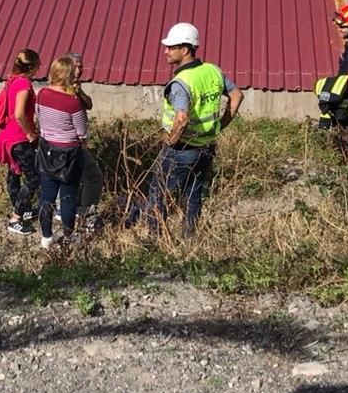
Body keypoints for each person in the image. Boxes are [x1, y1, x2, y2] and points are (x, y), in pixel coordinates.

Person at [127, 22, 243, 235]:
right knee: (193, 193)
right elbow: (237, 96)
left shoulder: (181, 82)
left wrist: (169, 143)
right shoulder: (213, 71)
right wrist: (219, 126)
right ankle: (189, 236)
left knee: (157, 193)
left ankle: (155, 241)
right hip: (206, 147)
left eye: (171, 47)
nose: (165, 52)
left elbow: (182, 118)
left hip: (181, 150)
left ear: (185, 49)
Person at [35, 56, 89, 248]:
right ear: (68, 74)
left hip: (47, 149)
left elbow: (39, 117)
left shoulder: (41, 94)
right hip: (69, 153)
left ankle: (46, 237)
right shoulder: (72, 101)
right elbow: (82, 131)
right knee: (68, 196)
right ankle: (68, 235)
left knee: (46, 196)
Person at [0, 49, 41, 234]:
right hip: (18, 137)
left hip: (7, 136)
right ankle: (16, 218)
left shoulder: (11, 80)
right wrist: (30, 133)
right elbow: (19, 113)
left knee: (14, 174)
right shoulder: (23, 84)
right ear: (33, 67)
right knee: (34, 178)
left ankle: (23, 209)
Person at [64, 52, 104, 229]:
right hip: (70, 142)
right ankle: (82, 215)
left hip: (77, 143)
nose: (79, 70)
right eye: (76, 66)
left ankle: (80, 211)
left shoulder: (75, 86)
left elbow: (89, 104)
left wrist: (79, 93)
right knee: (92, 177)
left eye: (81, 66)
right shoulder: (60, 87)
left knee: (79, 178)